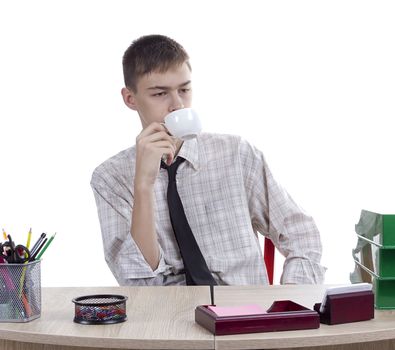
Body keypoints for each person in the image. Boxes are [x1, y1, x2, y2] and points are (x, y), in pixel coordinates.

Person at [90, 34, 325, 286]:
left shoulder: (236, 154)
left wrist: (288, 304)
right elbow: (138, 281)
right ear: (130, 99)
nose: (178, 104)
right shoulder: (110, 177)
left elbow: (302, 235)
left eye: (184, 89)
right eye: (160, 93)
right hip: (167, 318)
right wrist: (143, 185)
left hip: (244, 314)